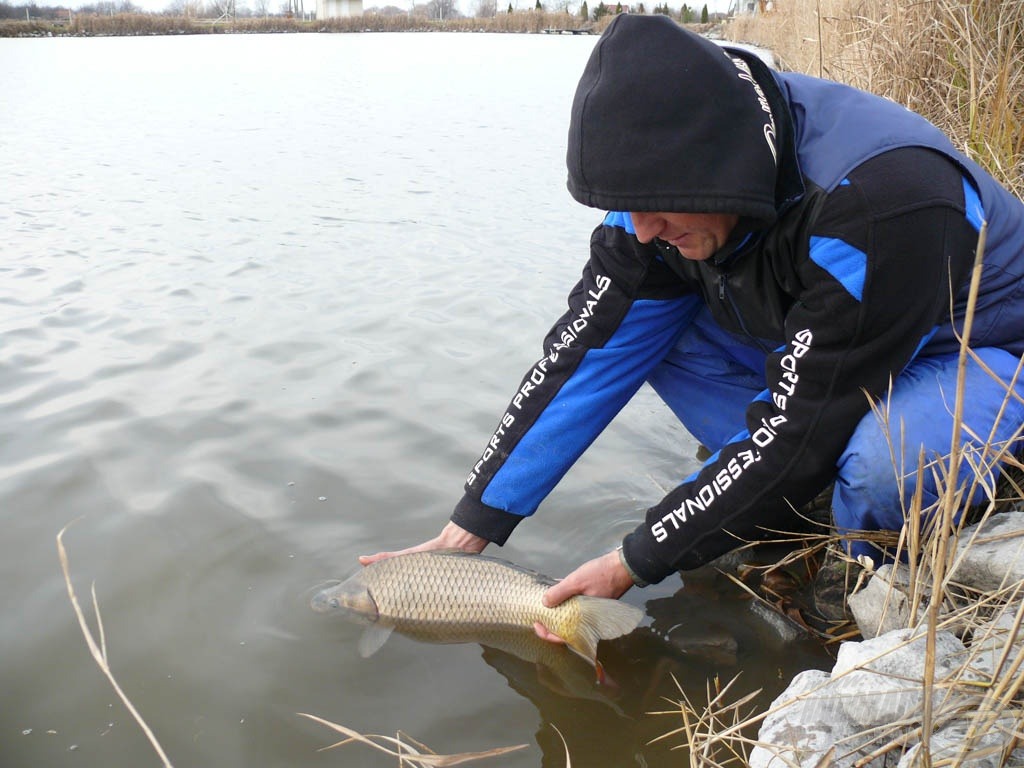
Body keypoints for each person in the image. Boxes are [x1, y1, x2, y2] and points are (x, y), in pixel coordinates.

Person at [361, 14, 1024, 639]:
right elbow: (582, 361)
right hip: (837, 349)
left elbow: (802, 421)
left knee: (886, 467)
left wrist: (637, 559)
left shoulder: (881, 195)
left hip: (979, 353)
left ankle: (856, 567)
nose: (642, 229)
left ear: (721, 164)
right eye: (628, 208)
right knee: (643, 337)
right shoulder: (658, 203)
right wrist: (468, 529)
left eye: (655, 208)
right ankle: (781, 495)